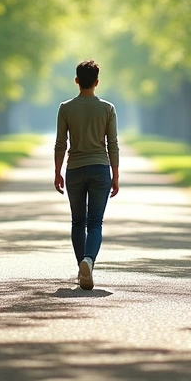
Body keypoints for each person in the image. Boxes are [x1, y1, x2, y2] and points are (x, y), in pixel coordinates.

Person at [54, 59, 120, 290]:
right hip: (100, 169)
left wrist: (57, 172)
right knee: (95, 222)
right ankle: (89, 261)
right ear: (97, 82)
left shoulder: (66, 108)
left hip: (74, 169)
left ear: (77, 81)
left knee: (77, 222)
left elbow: (60, 144)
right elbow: (113, 144)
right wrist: (115, 175)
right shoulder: (107, 109)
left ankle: (82, 267)